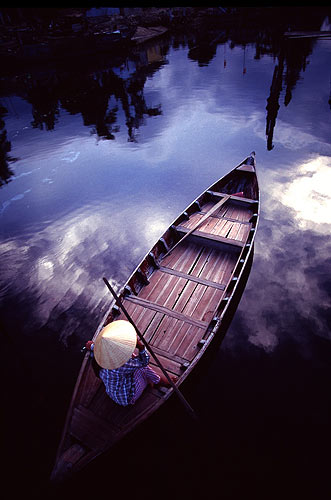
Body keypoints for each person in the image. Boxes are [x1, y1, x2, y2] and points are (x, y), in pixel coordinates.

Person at [85, 319, 176, 407]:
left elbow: (97, 347)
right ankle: (159, 381)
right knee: (142, 368)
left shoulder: (99, 357)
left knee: (133, 359)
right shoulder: (120, 365)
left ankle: (149, 380)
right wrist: (140, 347)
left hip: (113, 393)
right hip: (127, 397)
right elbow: (144, 362)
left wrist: (92, 346)